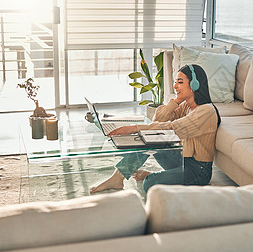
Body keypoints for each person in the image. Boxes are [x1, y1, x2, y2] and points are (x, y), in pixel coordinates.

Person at [90, 64, 221, 194]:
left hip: (198, 170)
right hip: (181, 158)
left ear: (194, 85)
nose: (175, 86)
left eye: (180, 82)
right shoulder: (186, 105)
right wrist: (176, 101)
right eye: (175, 82)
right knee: (147, 140)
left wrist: (134, 128)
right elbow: (159, 120)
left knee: (150, 182)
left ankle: (161, 176)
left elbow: (172, 128)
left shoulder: (206, 111)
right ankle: (117, 178)